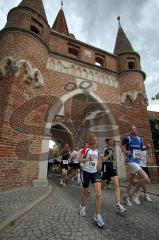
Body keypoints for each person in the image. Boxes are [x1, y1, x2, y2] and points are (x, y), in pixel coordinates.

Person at [79, 134, 105, 227]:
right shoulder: (85, 149)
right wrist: (87, 159)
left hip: (95, 173)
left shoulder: (98, 151)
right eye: (92, 140)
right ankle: (82, 206)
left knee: (98, 193)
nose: (94, 141)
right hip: (85, 173)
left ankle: (97, 215)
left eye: (95, 140)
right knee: (86, 193)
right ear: (89, 141)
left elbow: (100, 162)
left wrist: (99, 166)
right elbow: (79, 159)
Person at [121, 126, 150, 206]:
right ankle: (134, 192)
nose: (135, 130)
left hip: (137, 161)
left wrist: (146, 147)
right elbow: (121, 145)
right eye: (133, 129)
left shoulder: (140, 139)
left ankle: (126, 197)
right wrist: (125, 151)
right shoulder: (128, 138)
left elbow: (141, 149)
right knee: (146, 178)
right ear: (130, 131)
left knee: (130, 181)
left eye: (136, 129)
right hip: (131, 161)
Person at [101, 138, 127, 215]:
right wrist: (109, 155)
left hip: (112, 167)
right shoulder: (104, 149)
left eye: (113, 141)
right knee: (103, 186)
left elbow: (113, 159)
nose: (112, 142)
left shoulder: (112, 149)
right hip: (105, 167)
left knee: (116, 185)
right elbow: (103, 159)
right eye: (111, 141)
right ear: (107, 142)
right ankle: (98, 196)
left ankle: (118, 205)